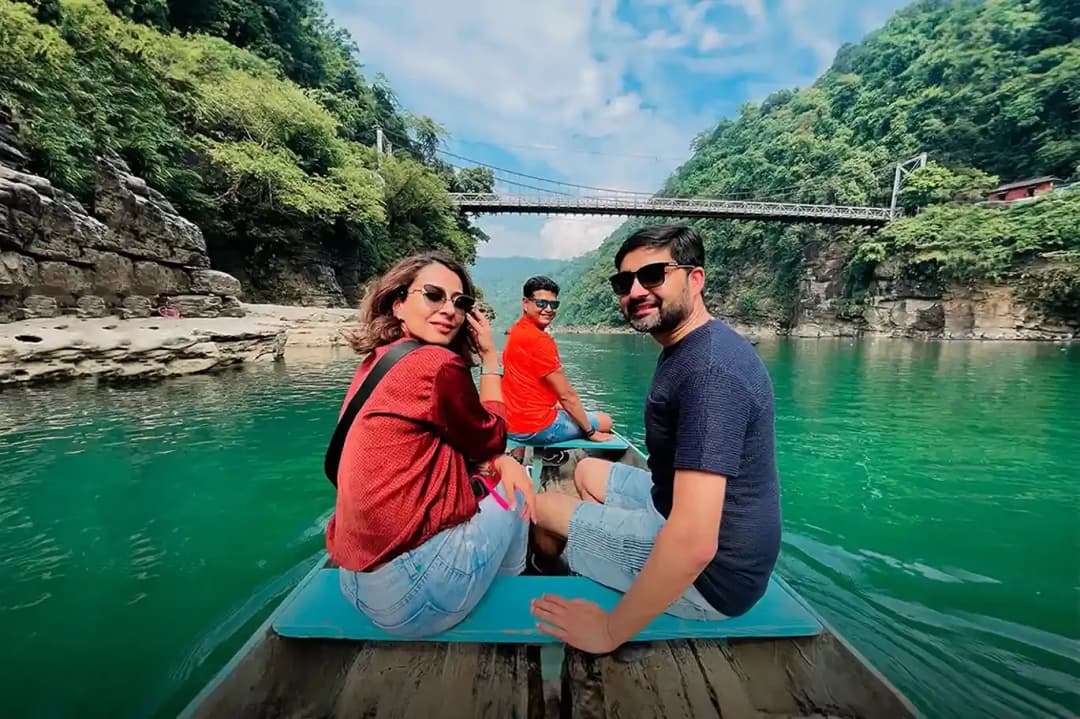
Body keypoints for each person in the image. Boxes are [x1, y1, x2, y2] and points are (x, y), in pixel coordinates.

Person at [528, 224, 782, 653]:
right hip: (678, 509)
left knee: (542, 507)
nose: (635, 291)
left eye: (653, 275)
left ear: (695, 279)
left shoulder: (710, 374)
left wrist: (609, 631)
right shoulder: (694, 345)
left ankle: (579, 573)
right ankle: (606, 552)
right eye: (624, 282)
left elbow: (694, 542)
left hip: (713, 578)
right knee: (586, 470)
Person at [326, 251, 537, 639]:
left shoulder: (377, 359)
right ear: (398, 303)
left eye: (460, 302)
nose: (450, 310)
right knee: (518, 488)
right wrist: (490, 356)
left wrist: (493, 459)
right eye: (433, 295)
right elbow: (492, 437)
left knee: (495, 471)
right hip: (414, 595)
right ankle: (512, 589)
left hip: (353, 582)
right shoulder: (436, 364)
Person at [502, 275, 614, 445]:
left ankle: (526, 452)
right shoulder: (539, 340)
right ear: (525, 303)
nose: (548, 309)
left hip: (511, 424)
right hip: (535, 428)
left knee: (564, 408)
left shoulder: (516, 330)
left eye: (553, 305)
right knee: (606, 421)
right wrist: (590, 432)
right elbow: (566, 395)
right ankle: (552, 451)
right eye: (541, 303)